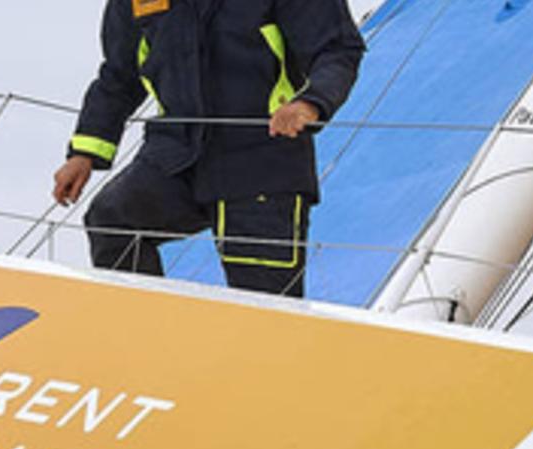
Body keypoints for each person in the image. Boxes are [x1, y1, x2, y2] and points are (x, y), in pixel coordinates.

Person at [53, 0, 365, 297]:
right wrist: (84, 153)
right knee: (112, 219)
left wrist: (311, 103)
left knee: (264, 309)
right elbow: (119, 78)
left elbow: (337, 49)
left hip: (261, 162)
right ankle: (149, 330)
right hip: (175, 156)